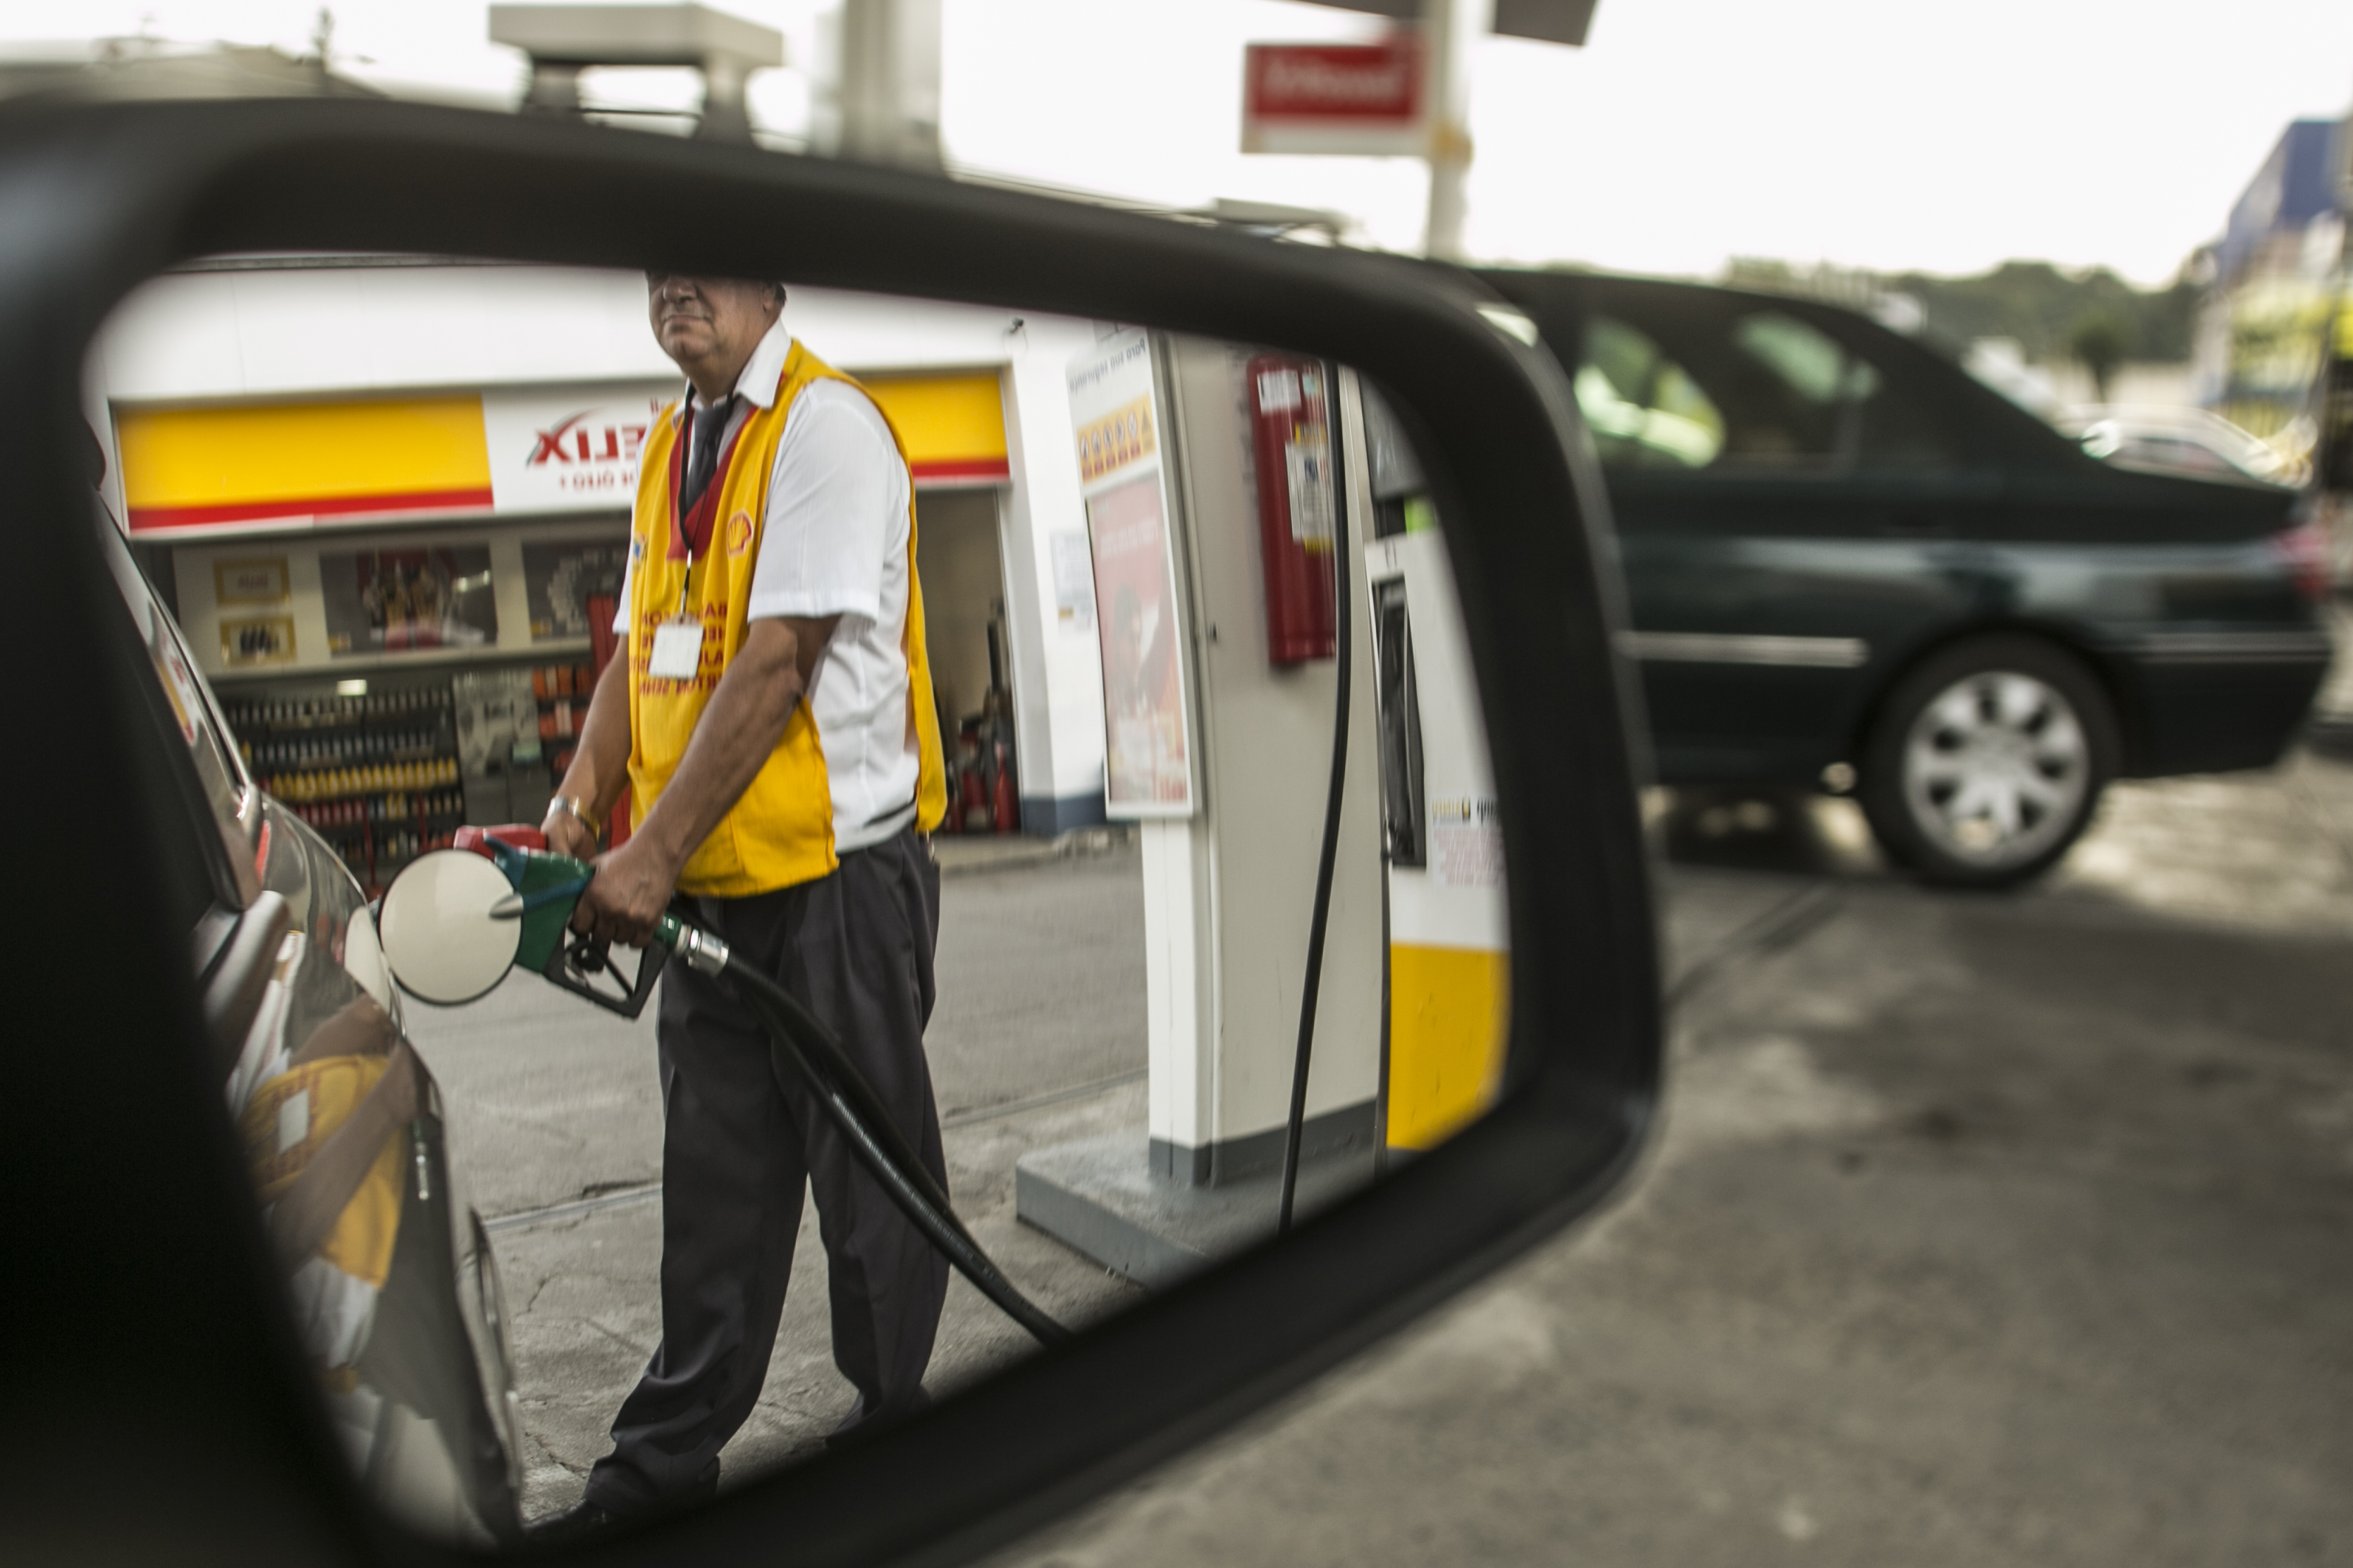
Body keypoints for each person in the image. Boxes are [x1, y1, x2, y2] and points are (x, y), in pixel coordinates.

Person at [533, 273, 950, 1537]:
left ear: (769, 284)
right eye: (658, 266)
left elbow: (777, 663)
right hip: (709, 890)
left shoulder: (826, 426)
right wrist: (579, 802)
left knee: (868, 1186)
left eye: (706, 261)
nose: (676, 284)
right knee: (714, 1193)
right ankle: (656, 1472)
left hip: (834, 882)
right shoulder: (669, 444)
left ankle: (892, 1435)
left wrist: (646, 856)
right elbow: (635, 648)